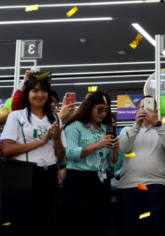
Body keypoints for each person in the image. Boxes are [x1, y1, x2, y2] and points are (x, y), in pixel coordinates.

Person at [1, 74, 66, 236]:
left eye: (44, 90)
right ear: (27, 93)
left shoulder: (55, 119)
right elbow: (6, 149)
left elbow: (61, 156)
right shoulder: (16, 116)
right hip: (24, 175)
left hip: (49, 174)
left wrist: (57, 139)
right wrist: (40, 142)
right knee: (22, 223)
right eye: (35, 90)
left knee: (45, 222)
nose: (40, 95)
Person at [118, 96, 165, 236]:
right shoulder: (128, 129)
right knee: (129, 230)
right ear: (137, 111)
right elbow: (123, 148)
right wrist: (136, 126)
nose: (144, 110)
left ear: (156, 111)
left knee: (153, 230)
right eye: (142, 107)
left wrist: (157, 123)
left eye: (149, 107)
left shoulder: (162, 130)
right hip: (128, 188)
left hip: (154, 186)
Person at [63, 91, 119, 236]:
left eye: (106, 110)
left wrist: (115, 150)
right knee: (78, 224)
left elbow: (111, 163)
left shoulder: (105, 129)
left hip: (102, 179)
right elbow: (70, 153)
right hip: (79, 179)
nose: (103, 113)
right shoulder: (75, 126)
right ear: (89, 107)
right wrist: (98, 145)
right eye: (99, 109)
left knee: (99, 223)